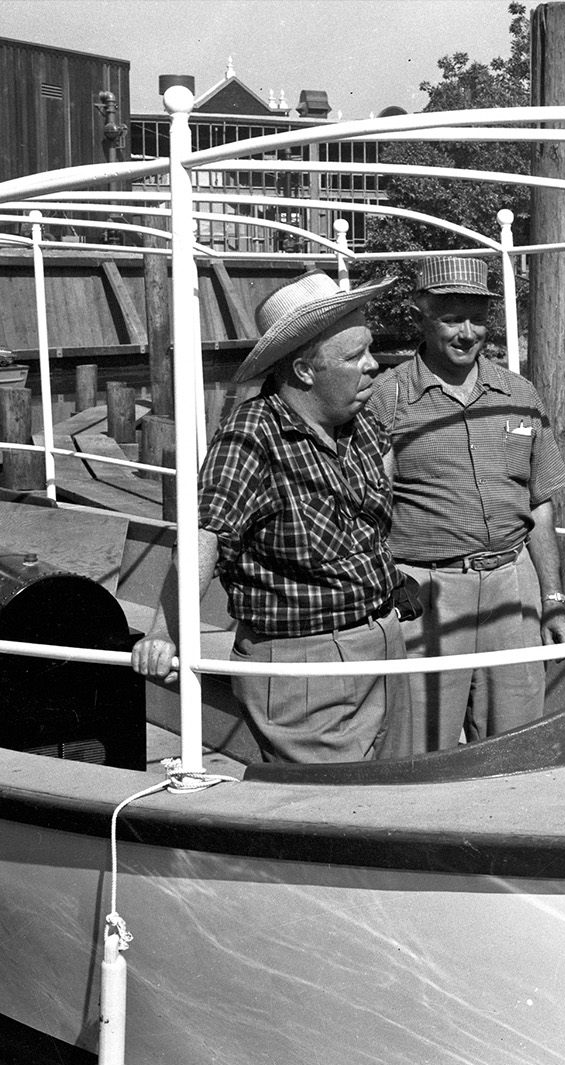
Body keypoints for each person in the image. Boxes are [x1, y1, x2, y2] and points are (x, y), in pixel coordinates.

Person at [131, 271, 411, 763]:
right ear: (304, 371)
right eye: (354, 357)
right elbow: (204, 537)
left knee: (395, 797)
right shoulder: (249, 438)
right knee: (333, 818)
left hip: (384, 644)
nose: (374, 367)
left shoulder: (361, 423)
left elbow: (379, 507)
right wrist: (164, 633)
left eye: (371, 349)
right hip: (303, 667)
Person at [368, 256, 565, 752]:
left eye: (477, 319)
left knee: (518, 739)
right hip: (424, 589)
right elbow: (368, 512)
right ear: (422, 313)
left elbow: (541, 504)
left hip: (513, 585)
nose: (467, 333)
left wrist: (553, 601)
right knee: (420, 742)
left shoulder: (519, 393)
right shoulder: (386, 398)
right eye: (451, 318)